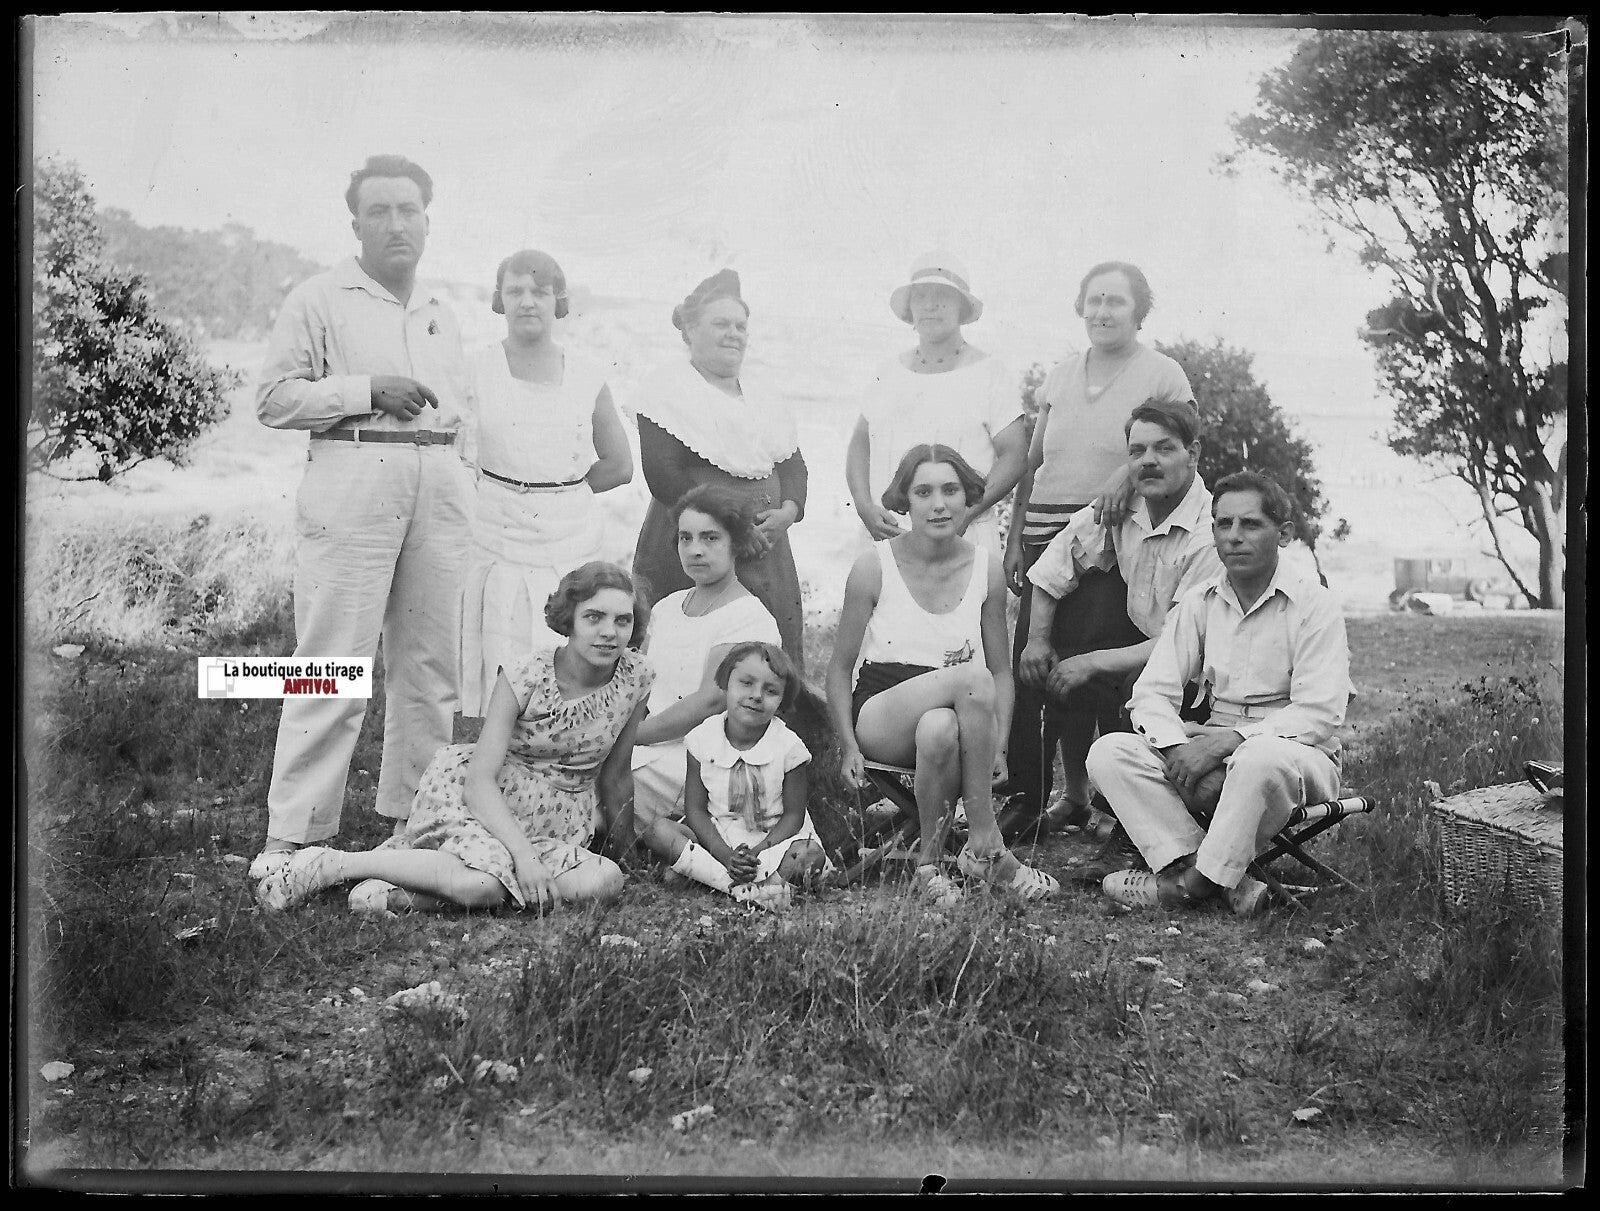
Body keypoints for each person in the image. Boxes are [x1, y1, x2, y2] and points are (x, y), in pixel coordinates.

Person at [251, 155, 475, 881]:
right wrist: (365, 388)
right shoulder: (320, 297)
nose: (396, 225)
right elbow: (274, 399)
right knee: (332, 662)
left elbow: (464, 413)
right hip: (354, 479)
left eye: (408, 210)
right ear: (356, 224)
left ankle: (418, 819)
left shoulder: (441, 312)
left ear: (428, 220)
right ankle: (294, 834)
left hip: (437, 486)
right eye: (379, 212)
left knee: (431, 664)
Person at [256, 563, 654, 916]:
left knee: (604, 881)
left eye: (622, 621)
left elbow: (616, 776)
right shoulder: (527, 675)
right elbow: (480, 781)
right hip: (486, 798)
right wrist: (524, 856)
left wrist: (627, 855)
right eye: (594, 617)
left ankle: (400, 893)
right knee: (479, 883)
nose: (609, 633)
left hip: (558, 821)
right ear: (569, 620)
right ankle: (333, 864)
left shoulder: (636, 677)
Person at [1085, 472, 1352, 918]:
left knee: (1257, 758)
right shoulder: (1200, 602)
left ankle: (1190, 886)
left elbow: (1320, 713)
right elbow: (1151, 692)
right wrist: (1177, 751)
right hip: (1214, 749)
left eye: (1250, 525)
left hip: (1297, 756)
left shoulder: (1314, 603)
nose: (1234, 537)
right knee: (1109, 751)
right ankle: (1227, 879)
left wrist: (1230, 742)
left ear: (1283, 534)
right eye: (1223, 524)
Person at [1001, 261, 1194, 825]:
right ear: (1080, 307)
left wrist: (1123, 477)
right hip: (1044, 539)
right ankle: (1034, 798)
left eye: (1117, 301)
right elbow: (1033, 465)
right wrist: (1016, 538)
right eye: (1094, 300)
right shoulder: (1060, 375)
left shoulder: (1163, 372)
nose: (1103, 311)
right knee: (1033, 667)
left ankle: (1118, 803)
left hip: (1110, 541)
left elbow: (1179, 445)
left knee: (1095, 671)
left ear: (1139, 311)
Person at [827, 444, 1060, 905]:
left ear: (968, 495)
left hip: (955, 720)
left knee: (939, 727)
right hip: (882, 714)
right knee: (971, 679)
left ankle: (931, 865)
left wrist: (998, 743)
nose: (939, 504)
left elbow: (1003, 671)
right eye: (924, 491)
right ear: (905, 500)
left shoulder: (986, 569)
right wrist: (848, 745)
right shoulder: (875, 565)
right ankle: (985, 839)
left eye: (951, 490)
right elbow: (838, 668)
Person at [1013, 398, 1222, 833]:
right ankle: (1070, 795)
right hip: (1152, 648)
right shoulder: (1127, 504)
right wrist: (1037, 641)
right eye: (1137, 452)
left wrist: (1090, 662)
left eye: (1164, 449)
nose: (1148, 461)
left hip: (1205, 670)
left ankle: (1140, 824)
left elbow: (1183, 643)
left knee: (1126, 683)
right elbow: (1057, 561)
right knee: (1055, 665)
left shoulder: (1210, 532)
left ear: (1194, 454)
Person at [459, 249, 633, 716]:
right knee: (503, 651)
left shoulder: (586, 374)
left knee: (566, 660)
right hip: (496, 532)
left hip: (567, 536)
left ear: (559, 300)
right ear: (499, 300)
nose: (528, 301)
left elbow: (619, 464)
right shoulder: (475, 368)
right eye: (515, 291)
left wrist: (559, 494)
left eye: (540, 291)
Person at [630, 269, 808, 668]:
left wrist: (788, 513)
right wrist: (732, 529)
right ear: (690, 331)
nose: (733, 334)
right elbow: (663, 475)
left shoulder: (763, 392)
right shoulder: (665, 390)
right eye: (720, 324)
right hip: (694, 541)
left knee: (766, 657)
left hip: (766, 546)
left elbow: (794, 467)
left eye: (740, 326)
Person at [631, 485, 783, 847]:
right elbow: (640, 684)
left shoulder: (747, 618)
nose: (695, 549)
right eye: (685, 538)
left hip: (705, 758)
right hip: (652, 741)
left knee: (606, 770)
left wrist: (628, 739)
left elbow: (710, 702)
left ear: (737, 544)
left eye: (710, 537)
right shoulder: (667, 608)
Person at [847, 252, 1026, 558]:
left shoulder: (990, 373)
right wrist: (864, 506)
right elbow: (859, 448)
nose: (929, 305)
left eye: (942, 296)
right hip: (888, 537)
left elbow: (1014, 456)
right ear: (910, 308)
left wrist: (966, 513)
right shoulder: (888, 372)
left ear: (962, 307)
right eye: (920, 296)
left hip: (964, 535)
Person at [649, 642, 826, 912]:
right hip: (717, 839)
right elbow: (695, 809)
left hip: (773, 841)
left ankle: (719, 879)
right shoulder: (702, 739)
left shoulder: (789, 747)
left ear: (782, 700)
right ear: (725, 683)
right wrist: (726, 855)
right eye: (746, 683)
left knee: (809, 855)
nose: (756, 696)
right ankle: (744, 889)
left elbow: (793, 818)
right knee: (658, 830)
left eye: (770, 691)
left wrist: (755, 854)